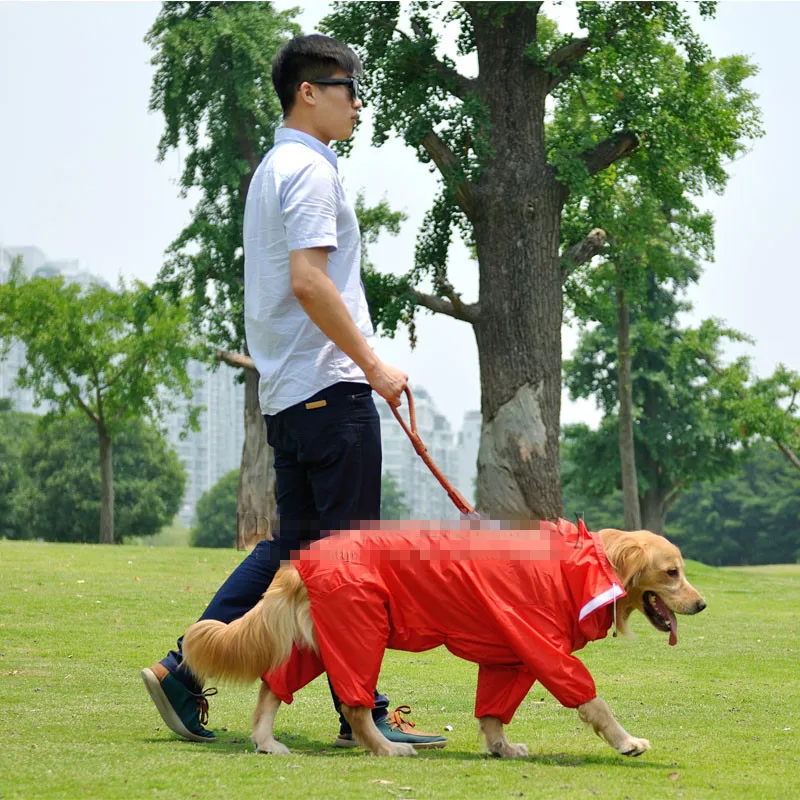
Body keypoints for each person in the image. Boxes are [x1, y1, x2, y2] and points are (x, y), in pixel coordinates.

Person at [141, 33, 446, 751]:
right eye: (348, 88)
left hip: (289, 396)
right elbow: (310, 281)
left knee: (297, 552)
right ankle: (359, 712)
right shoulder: (308, 171)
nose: (358, 104)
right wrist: (373, 365)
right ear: (309, 91)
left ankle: (185, 665)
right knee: (350, 565)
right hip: (329, 393)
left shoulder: (275, 168)